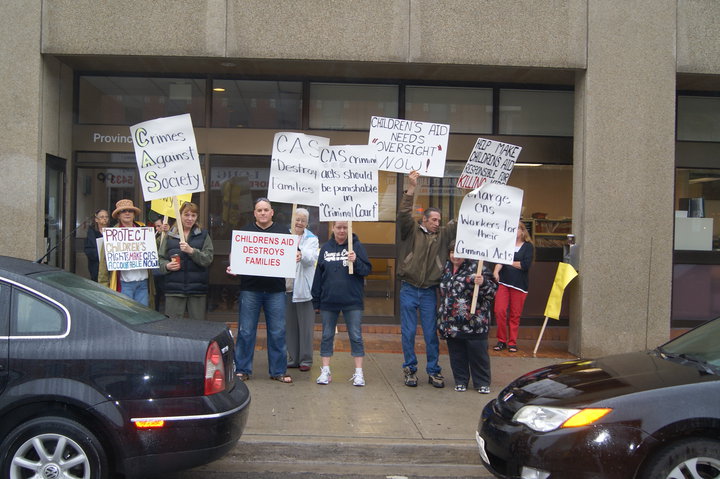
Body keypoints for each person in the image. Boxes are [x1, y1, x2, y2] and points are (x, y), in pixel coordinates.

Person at [396, 170, 457, 388]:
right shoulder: (411, 230)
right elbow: (403, 214)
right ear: (424, 219)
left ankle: (434, 371)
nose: (436, 223)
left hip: (430, 291)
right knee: (409, 332)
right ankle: (410, 369)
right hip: (409, 288)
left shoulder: (443, 235)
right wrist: (411, 189)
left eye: (439, 220)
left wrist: (474, 197)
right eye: (433, 219)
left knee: (431, 334)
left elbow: (460, 224)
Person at [227, 198, 293, 384]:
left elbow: (293, 254)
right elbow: (235, 255)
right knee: (246, 331)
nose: (263, 213)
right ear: (254, 213)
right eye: (259, 210)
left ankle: (278, 371)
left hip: (276, 291)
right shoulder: (245, 232)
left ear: (272, 212)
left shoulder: (282, 231)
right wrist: (233, 265)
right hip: (250, 289)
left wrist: (298, 254)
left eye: (266, 210)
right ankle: (242, 369)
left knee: (278, 331)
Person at [311, 221, 372, 386]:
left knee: (356, 336)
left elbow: (366, 270)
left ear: (349, 229)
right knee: (326, 335)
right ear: (333, 228)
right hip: (328, 301)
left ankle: (359, 373)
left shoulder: (357, 247)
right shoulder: (325, 248)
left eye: (345, 227)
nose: (342, 230)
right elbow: (318, 275)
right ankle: (325, 371)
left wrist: (356, 260)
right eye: (339, 227)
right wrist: (316, 300)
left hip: (352, 301)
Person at [437, 241, 497, 393]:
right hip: (451, 322)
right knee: (457, 354)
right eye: (452, 252)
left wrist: (483, 283)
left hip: (474, 322)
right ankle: (460, 380)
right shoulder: (446, 268)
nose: (454, 256)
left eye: (458, 253)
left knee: (478, 354)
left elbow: (492, 292)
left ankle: (482, 383)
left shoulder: (477, 267)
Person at [158, 202, 214, 321]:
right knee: (173, 327)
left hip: (197, 289)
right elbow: (160, 258)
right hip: (174, 289)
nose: (190, 218)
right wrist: (167, 266)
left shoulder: (203, 235)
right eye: (186, 214)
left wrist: (192, 251)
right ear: (180, 216)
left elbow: (208, 259)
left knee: (197, 326)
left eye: (193, 215)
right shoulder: (170, 235)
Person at [98, 199, 155, 307]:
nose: (127, 213)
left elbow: (155, 250)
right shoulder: (112, 234)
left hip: (143, 283)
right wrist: (104, 286)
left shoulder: (144, 230)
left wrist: (164, 233)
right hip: (124, 284)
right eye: (124, 211)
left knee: (143, 316)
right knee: (127, 316)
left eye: (130, 211)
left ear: (134, 214)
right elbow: (103, 263)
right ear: (118, 215)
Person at [285, 208, 319, 372]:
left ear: (307, 223)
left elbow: (311, 258)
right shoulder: (284, 235)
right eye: (297, 219)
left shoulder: (311, 238)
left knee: (305, 326)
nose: (299, 223)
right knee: (290, 326)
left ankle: (306, 359)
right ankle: (293, 358)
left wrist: (300, 252)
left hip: (303, 288)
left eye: (303, 220)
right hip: (287, 287)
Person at [493, 221, 534, 353]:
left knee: (515, 315)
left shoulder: (528, 247)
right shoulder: (506, 245)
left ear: (522, 231)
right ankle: (501, 340)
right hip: (504, 283)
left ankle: (512, 342)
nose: (515, 231)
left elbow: (525, 265)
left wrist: (507, 261)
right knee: (499, 311)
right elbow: (500, 261)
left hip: (519, 285)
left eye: (517, 229)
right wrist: (496, 271)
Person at [84, 208, 109, 281]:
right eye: (102, 217)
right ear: (96, 219)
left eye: (106, 217)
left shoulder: (112, 231)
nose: (104, 219)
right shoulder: (92, 232)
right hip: (96, 266)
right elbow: (88, 250)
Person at [152, 217, 171, 311]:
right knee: (156, 294)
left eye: (159, 226)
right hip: (156, 270)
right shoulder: (156, 237)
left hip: (165, 269)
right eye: (156, 226)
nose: (157, 228)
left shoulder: (168, 236)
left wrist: (168, 233)